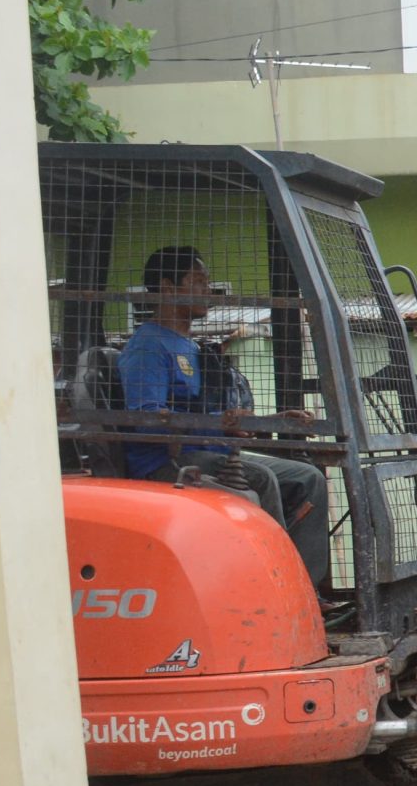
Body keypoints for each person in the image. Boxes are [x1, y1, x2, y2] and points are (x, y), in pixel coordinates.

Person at [119, 245, 333, 590]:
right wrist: (220, 422)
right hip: (167, 462)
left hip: (208, 451)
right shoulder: (149, 346)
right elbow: (145, 417)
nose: (208, 290)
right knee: (261, 479)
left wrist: (269, 420)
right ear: (168, 288)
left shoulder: (192, 347)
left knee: (308, 478)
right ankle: (273, 587)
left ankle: (305, 588)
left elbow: (212, 414)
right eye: (198, 281)